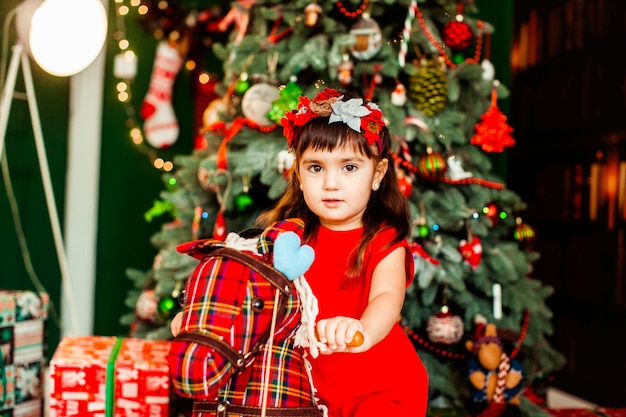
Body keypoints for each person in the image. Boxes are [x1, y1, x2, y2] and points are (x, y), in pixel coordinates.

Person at [255, 88, 429, 417]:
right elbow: (250, 290)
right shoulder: (288, 237)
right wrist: (202, 323)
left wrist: (362, 330)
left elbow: (387, 298)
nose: (331, 183)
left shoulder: (384, 240)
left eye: (349, 167)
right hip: (308, 386)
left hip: (379, 387)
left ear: (377, 174)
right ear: (299, 176)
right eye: (316, 168)